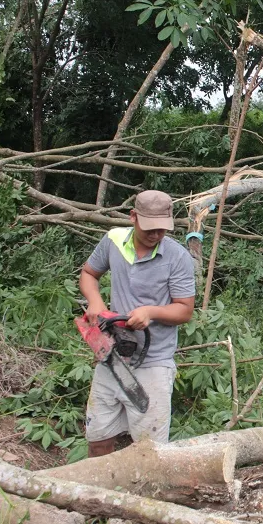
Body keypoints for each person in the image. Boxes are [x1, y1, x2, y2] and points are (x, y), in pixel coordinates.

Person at [79, 190, 195, 456]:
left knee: (149, 450)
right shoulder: (114, 241)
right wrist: (95, 301)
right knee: (98, 436)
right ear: (133, 217)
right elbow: (88, 273)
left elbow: (184, 310)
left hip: (154, 360)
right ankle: (97, 493)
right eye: (149, 229)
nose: (155, 235)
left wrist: (151, 312)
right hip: (112, 355)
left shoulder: (177, 257)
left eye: (162, 230)